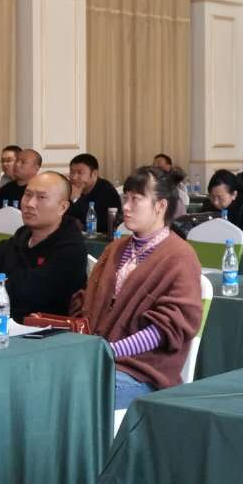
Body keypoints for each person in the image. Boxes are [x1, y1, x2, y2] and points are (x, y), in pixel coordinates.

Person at [72, 165, 204, 407]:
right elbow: (87, 302)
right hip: (99, 360)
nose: (126, 206)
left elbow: (166, 327)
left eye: (136, 199)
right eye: (126, 198)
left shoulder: (180, 256)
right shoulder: (116, 248)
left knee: (74, 392)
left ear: (160, 206)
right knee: (47, 380)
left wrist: (110, 351)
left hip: (144, 373)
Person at [0, 171, 88, 320]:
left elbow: (33, 298)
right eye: (27, 195)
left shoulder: (70, 249)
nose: (30, 204)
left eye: (41, 197)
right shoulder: (17, 240)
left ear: (62, 207)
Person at [68, 153, 122, 234]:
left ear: (94, 174)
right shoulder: (69, 188)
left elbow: (102, 225)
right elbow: (64, 217)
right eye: (72, 172)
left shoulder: (107, 191)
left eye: (80, 173)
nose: (74, 177)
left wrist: (76, 200)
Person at [207, 168, 243, 240]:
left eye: (220, 197)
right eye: (212, 197)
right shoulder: (208, 204)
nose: (215, 202)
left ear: (234, 194)